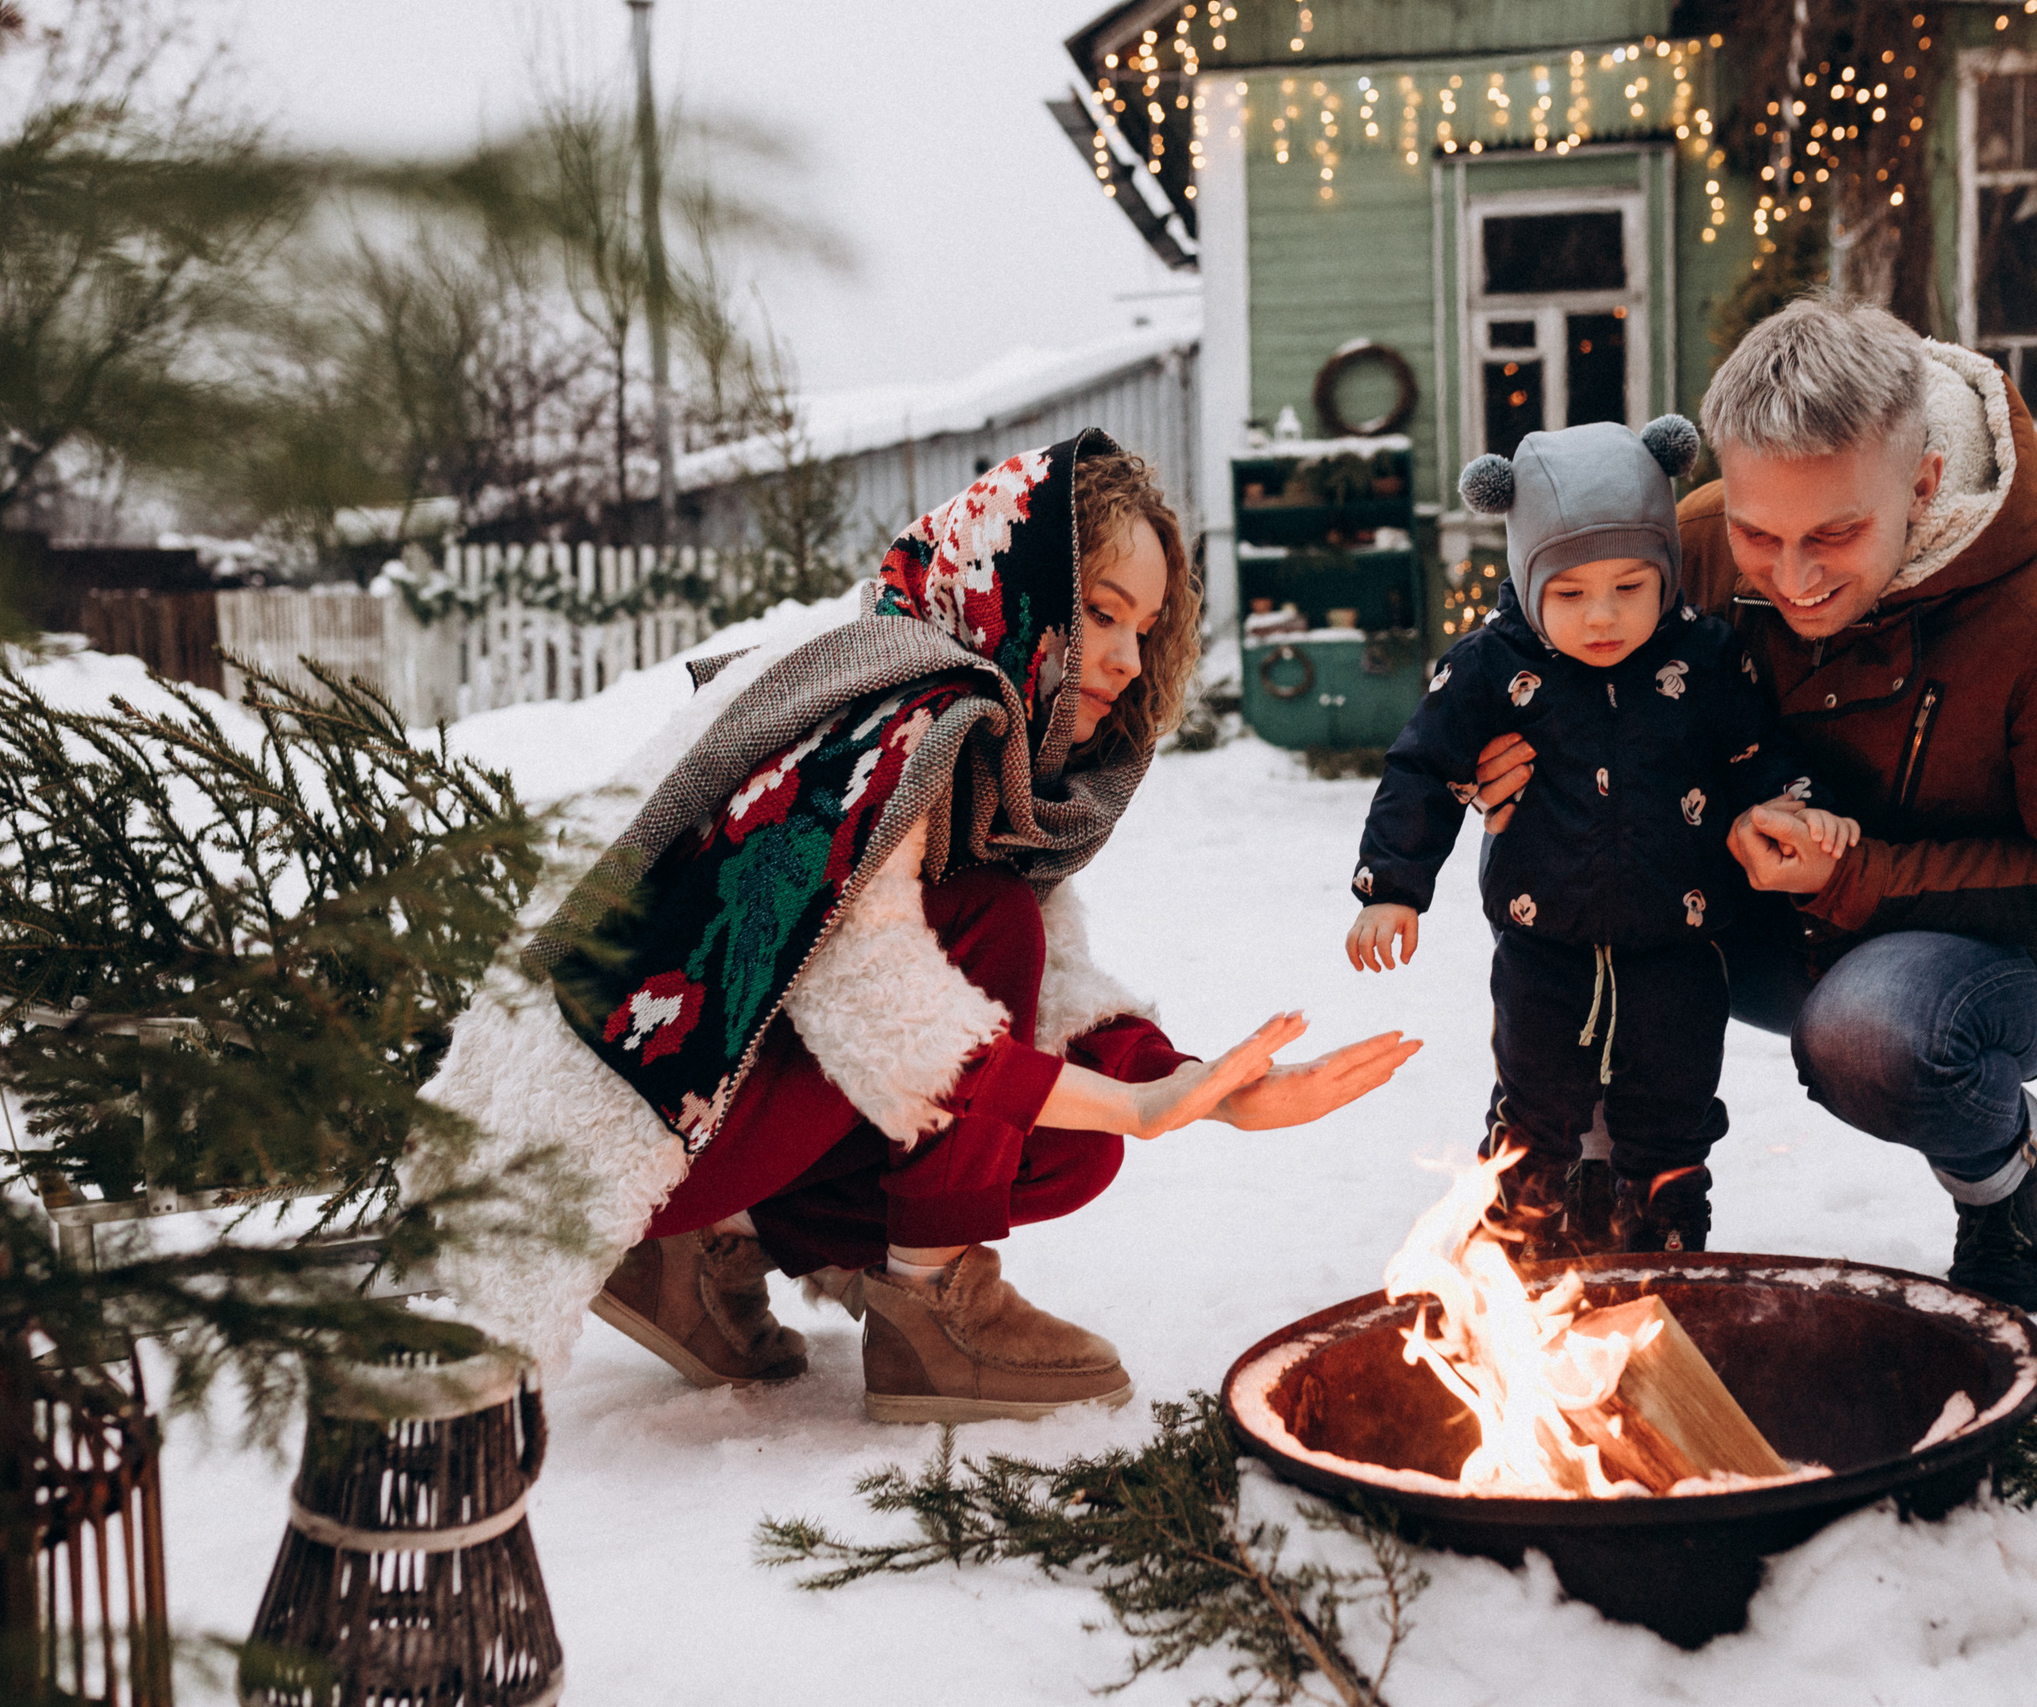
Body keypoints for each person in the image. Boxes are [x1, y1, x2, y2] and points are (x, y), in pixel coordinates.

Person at [422, 430, 1420, 1422]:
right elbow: (880, 1008)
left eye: (1144, 629)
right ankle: (928, 1309)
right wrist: (1139, 1106)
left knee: (1067, 1140)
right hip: (576, 1153)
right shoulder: (895, 707)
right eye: (1100, 614)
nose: (1124, 657)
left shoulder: (965, 724)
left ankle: (688, 1251)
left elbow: (1046, 986)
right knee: (992, 939)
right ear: (1016, 589)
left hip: (676, 1116)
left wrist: (1196, 1087)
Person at [1472, 299, 2037, 1311]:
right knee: (1570, 892)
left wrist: (1859, 876)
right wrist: (1497, 753)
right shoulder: (1699, 549)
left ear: (1923, 483)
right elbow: (1537, 630)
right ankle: (1597, 1181)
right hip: (1756, 915)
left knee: (1875, 1031)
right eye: (1759, 533)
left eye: (1835, 535)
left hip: (1994, 960)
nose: (1791, 579)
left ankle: (2007, 1174)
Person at [1344, 417, 1854, 1257]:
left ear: (1666, 571)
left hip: (1679, 943)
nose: (1604, 615)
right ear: (1527, 577)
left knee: (1674, 1104)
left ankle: (1665, 1239)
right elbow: (1422, 768)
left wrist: (1800, 805)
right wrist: (1392, 886)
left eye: (1630, 585)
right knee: (1536, 1100)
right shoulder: (1491, 666)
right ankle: (1518, 1243)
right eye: (1571, 593)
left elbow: (1757, 757)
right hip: (1541, 943)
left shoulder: (1708, 660)